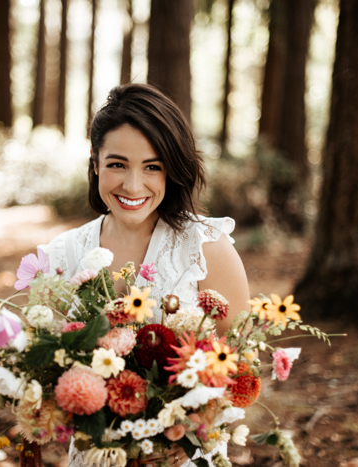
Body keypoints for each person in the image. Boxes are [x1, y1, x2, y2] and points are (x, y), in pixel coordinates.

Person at [39, 83, 250, 467]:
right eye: (117, 164)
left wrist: (182, 426)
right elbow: (45, 370)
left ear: (172, 169)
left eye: (152, 166)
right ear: (94, 162)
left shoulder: (207, 248)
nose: (133, 186)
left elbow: (241, 368)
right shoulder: (63, 254)